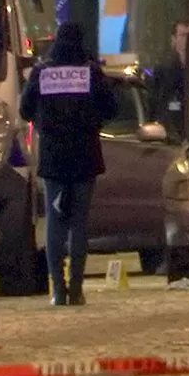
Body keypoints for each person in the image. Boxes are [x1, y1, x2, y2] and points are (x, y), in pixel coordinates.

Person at [20, 23, 118, 305]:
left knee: (55, 223)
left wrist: (44, 121)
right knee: (78, 224)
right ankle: (76, 288)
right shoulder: (91, 73)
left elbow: (25, 109)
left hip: (53, 158)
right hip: (85, 156)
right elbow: (111, 109)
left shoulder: (42, 72)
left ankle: (58, 290)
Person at [150, 19, 189, 141]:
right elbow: (158, 104)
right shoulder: (164, 69)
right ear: (174, 39)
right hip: (172, 134)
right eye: (182, 35)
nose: (187, 40)